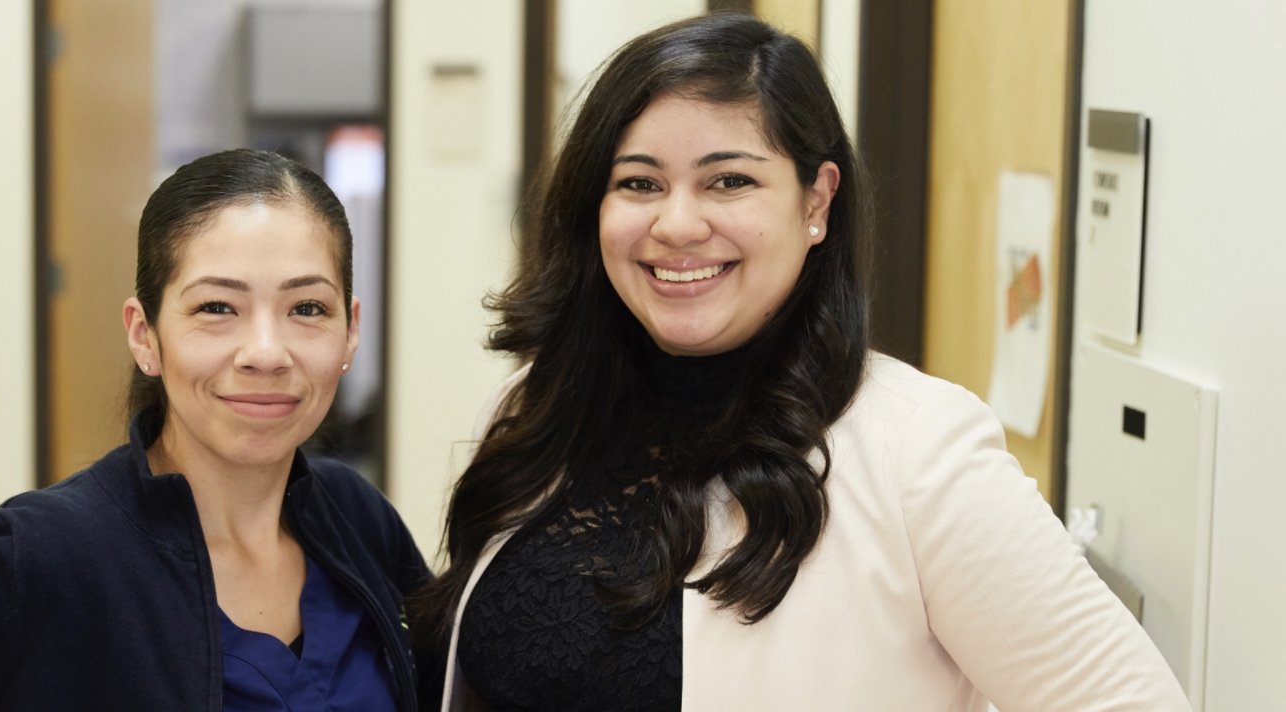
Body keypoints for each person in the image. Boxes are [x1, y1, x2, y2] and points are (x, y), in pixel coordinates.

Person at [413, 13, 1186, 711]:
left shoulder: (919, 452)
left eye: (730, 180)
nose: (677, 223)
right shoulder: (535, 410)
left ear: (816, 202)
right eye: (639, 182)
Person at [0, 149, 430, 711]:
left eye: (307, 307)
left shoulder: (357, 519)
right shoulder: (38, 557)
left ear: (351, 330)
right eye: (217, 307)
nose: (265, 351)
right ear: (145, 336)